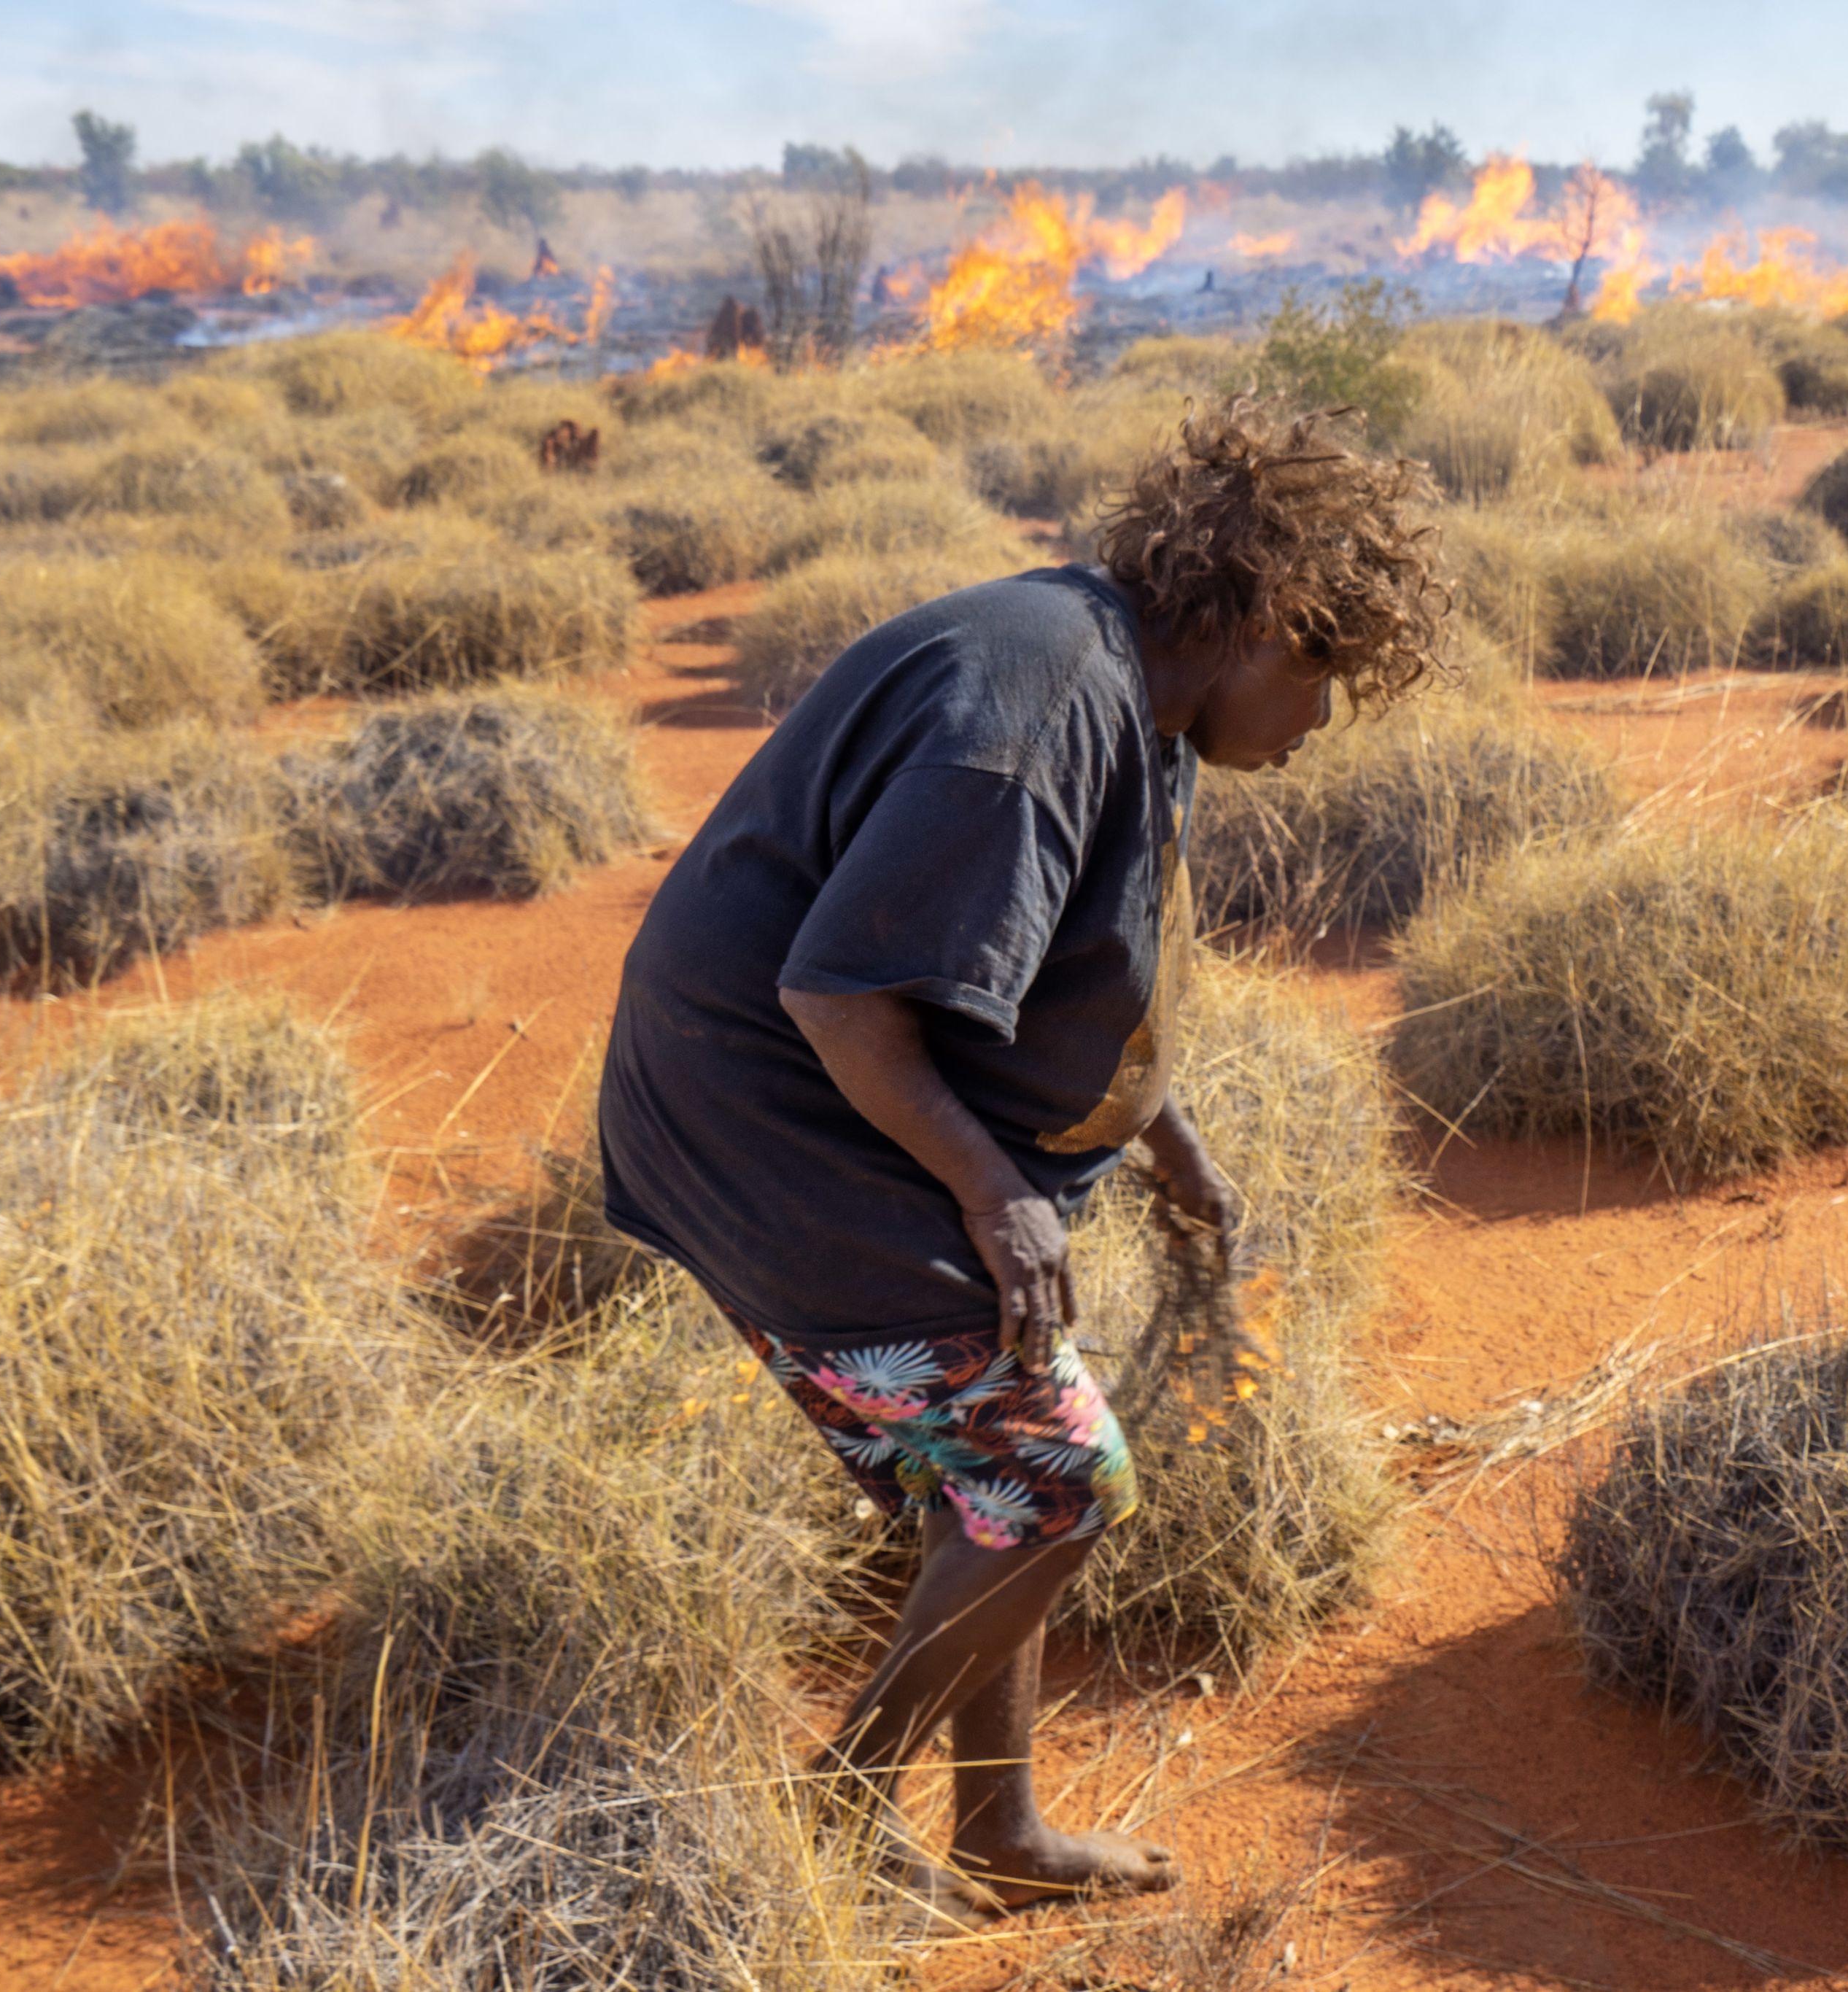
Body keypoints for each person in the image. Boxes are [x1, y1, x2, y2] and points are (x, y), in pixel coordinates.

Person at [598, 397, 1447, 1921]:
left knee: (991, 1483)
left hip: (840, 1116)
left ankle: (1000, 1824)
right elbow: (840, 993)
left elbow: (1078, 968)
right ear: (1264, 617)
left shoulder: (1140, 693)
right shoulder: (1040, 707)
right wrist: (993, 1192)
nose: (1320, 723)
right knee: (1053, 1484)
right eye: (1324, 674)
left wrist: (1166, 1144)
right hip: (780, 1126)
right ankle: (837, 1817)